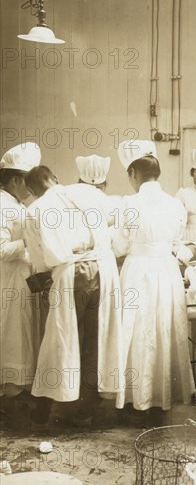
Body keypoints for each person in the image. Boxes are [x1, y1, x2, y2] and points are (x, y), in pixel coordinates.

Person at [23, 166, 124, 428]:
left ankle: (45, 408)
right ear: (55, 177)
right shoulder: (85, 191)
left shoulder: (34, 209)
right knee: (96, 338)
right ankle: (86, 408)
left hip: (70, 272)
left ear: (31, 191)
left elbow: (37, 259)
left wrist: (45, 284)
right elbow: (115, 217)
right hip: (104, 269)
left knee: (59, 341)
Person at [113, 140, 195, 414]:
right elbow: (177, 242)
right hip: (166, 270)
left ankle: (138, 398)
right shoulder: (174, 204)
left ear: (133, 174)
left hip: (138, 270)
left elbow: (120, 246)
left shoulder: (129, 203)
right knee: (163, 327)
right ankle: (163, 396)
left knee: (137, 329)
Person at [0, 143, 41, 410]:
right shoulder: (3, 205)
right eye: (28, 182)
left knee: (20, 331)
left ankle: (16, 387)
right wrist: (29, 241)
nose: (31, 189)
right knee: (12, 331)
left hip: (20, 277)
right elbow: (1, 248)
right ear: (16, 180)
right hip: (8, 279)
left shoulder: (15, 203)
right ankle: (11, 391)